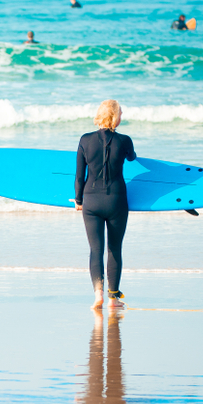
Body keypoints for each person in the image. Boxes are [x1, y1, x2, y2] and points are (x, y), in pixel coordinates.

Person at [75, 100, 136, 311]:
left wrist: (79, 200)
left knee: (95, 249)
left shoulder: (85, 140)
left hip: (91, 201)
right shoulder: (125, 140)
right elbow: (132, 158)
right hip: (116, 201)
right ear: (115, 117)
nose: (122, 116)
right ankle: (113, 298)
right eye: (121, 113)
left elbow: (79, 176)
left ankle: (98, 294)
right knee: (114, 249)